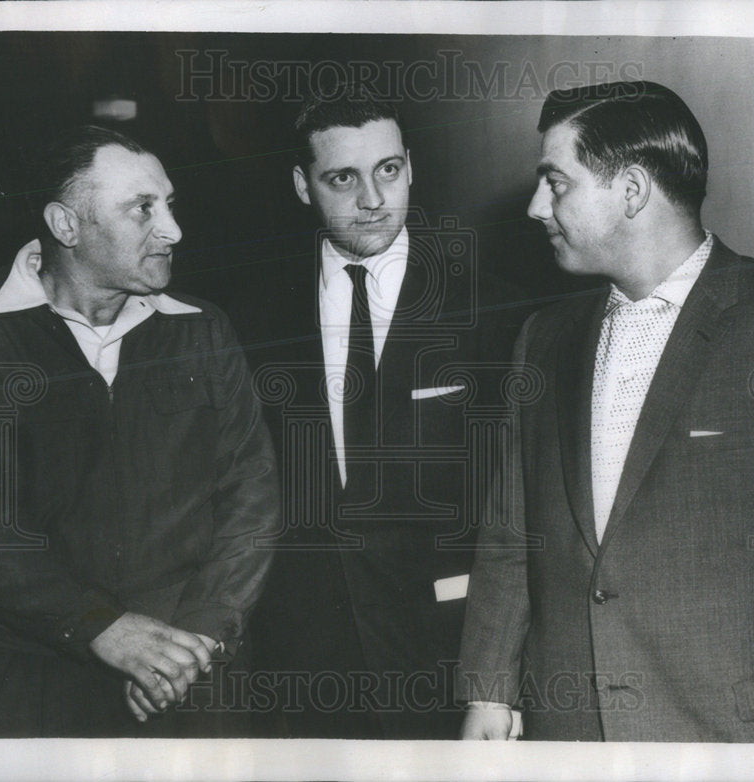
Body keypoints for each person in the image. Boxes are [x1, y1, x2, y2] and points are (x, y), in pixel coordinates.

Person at [457, 81, 754, 742]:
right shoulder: (543, 339)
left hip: (730, 742)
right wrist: (488, 691)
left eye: (556, 182)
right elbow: (511, 533)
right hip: (568, 734)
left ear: (633, 190)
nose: (535, 207)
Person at [0, 125, 279, 737]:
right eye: (143, 208)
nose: (173, 230)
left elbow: (252, 495)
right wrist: (100, 628)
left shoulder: (203, 329)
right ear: (65, 225)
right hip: (26, 694)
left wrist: (199, 635)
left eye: (169, 204)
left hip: (189, 680)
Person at [247, 91, 522, 739]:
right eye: (343, 178)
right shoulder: (253, 319)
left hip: (452, 662)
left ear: (410, 167)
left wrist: (501, 684)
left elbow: (518, 511)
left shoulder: (496, 311)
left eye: (388, 170)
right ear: (302, 185)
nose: (372, 199)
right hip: (307, 671)